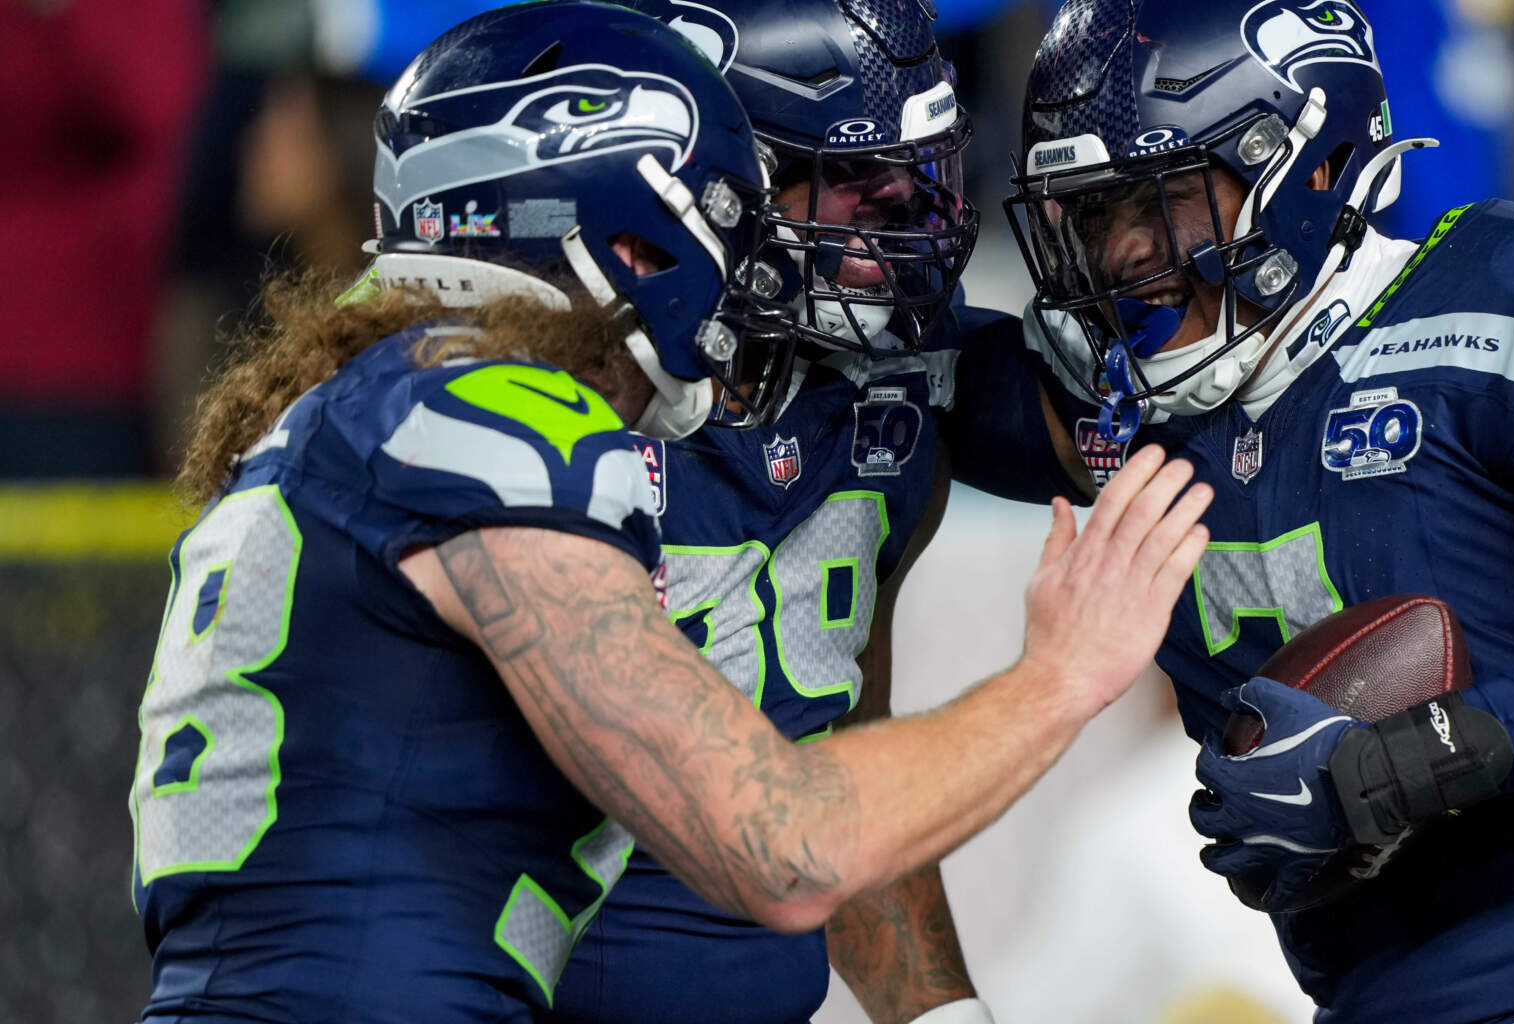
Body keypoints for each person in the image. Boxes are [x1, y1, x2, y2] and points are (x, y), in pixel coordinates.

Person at [127, 4, 1213, 1022]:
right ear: (608, 231)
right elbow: (783, 842)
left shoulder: (392, 394)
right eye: (692, 220)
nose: (710, 266)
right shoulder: (480, 418)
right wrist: (1057, 677)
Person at [946, 1, 1514, 1020]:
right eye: (1096, 213)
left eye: (1163, 199)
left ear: (1308, 169)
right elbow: (870, 384)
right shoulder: (1117, 400)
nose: (1125, 257)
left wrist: (1410, 763)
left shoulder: (1498, 304)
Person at [549, 2, 992, 1022]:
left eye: (914, 175)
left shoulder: (902, 386)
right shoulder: (540, 394)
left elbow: (829, 755)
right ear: (716, 180)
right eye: (855, 183)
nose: (900, 227)